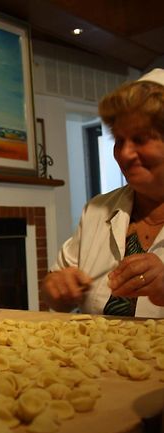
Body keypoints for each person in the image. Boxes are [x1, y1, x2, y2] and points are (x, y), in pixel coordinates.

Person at [42, 68, 164, 318]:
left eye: (140, 139)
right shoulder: (97, 210)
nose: (125, 154)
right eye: (119, 140)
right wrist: (56, 288)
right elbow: (54, 286)